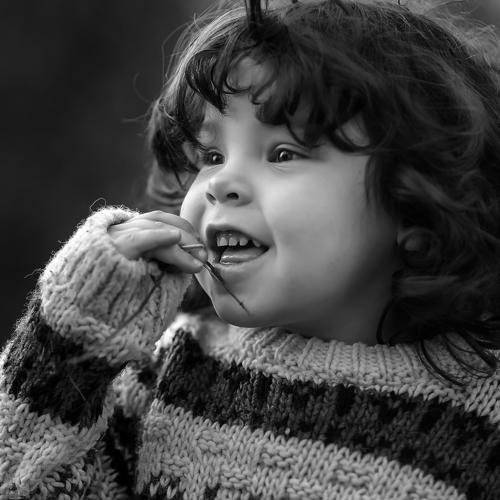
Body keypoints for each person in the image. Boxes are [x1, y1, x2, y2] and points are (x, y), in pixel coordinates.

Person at [2, 0, 500, 498]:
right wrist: (68, 337)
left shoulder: (482, 413)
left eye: (283, 153)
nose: (221, 183)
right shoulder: (168, 368)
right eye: (211, 155)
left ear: (416, 208)